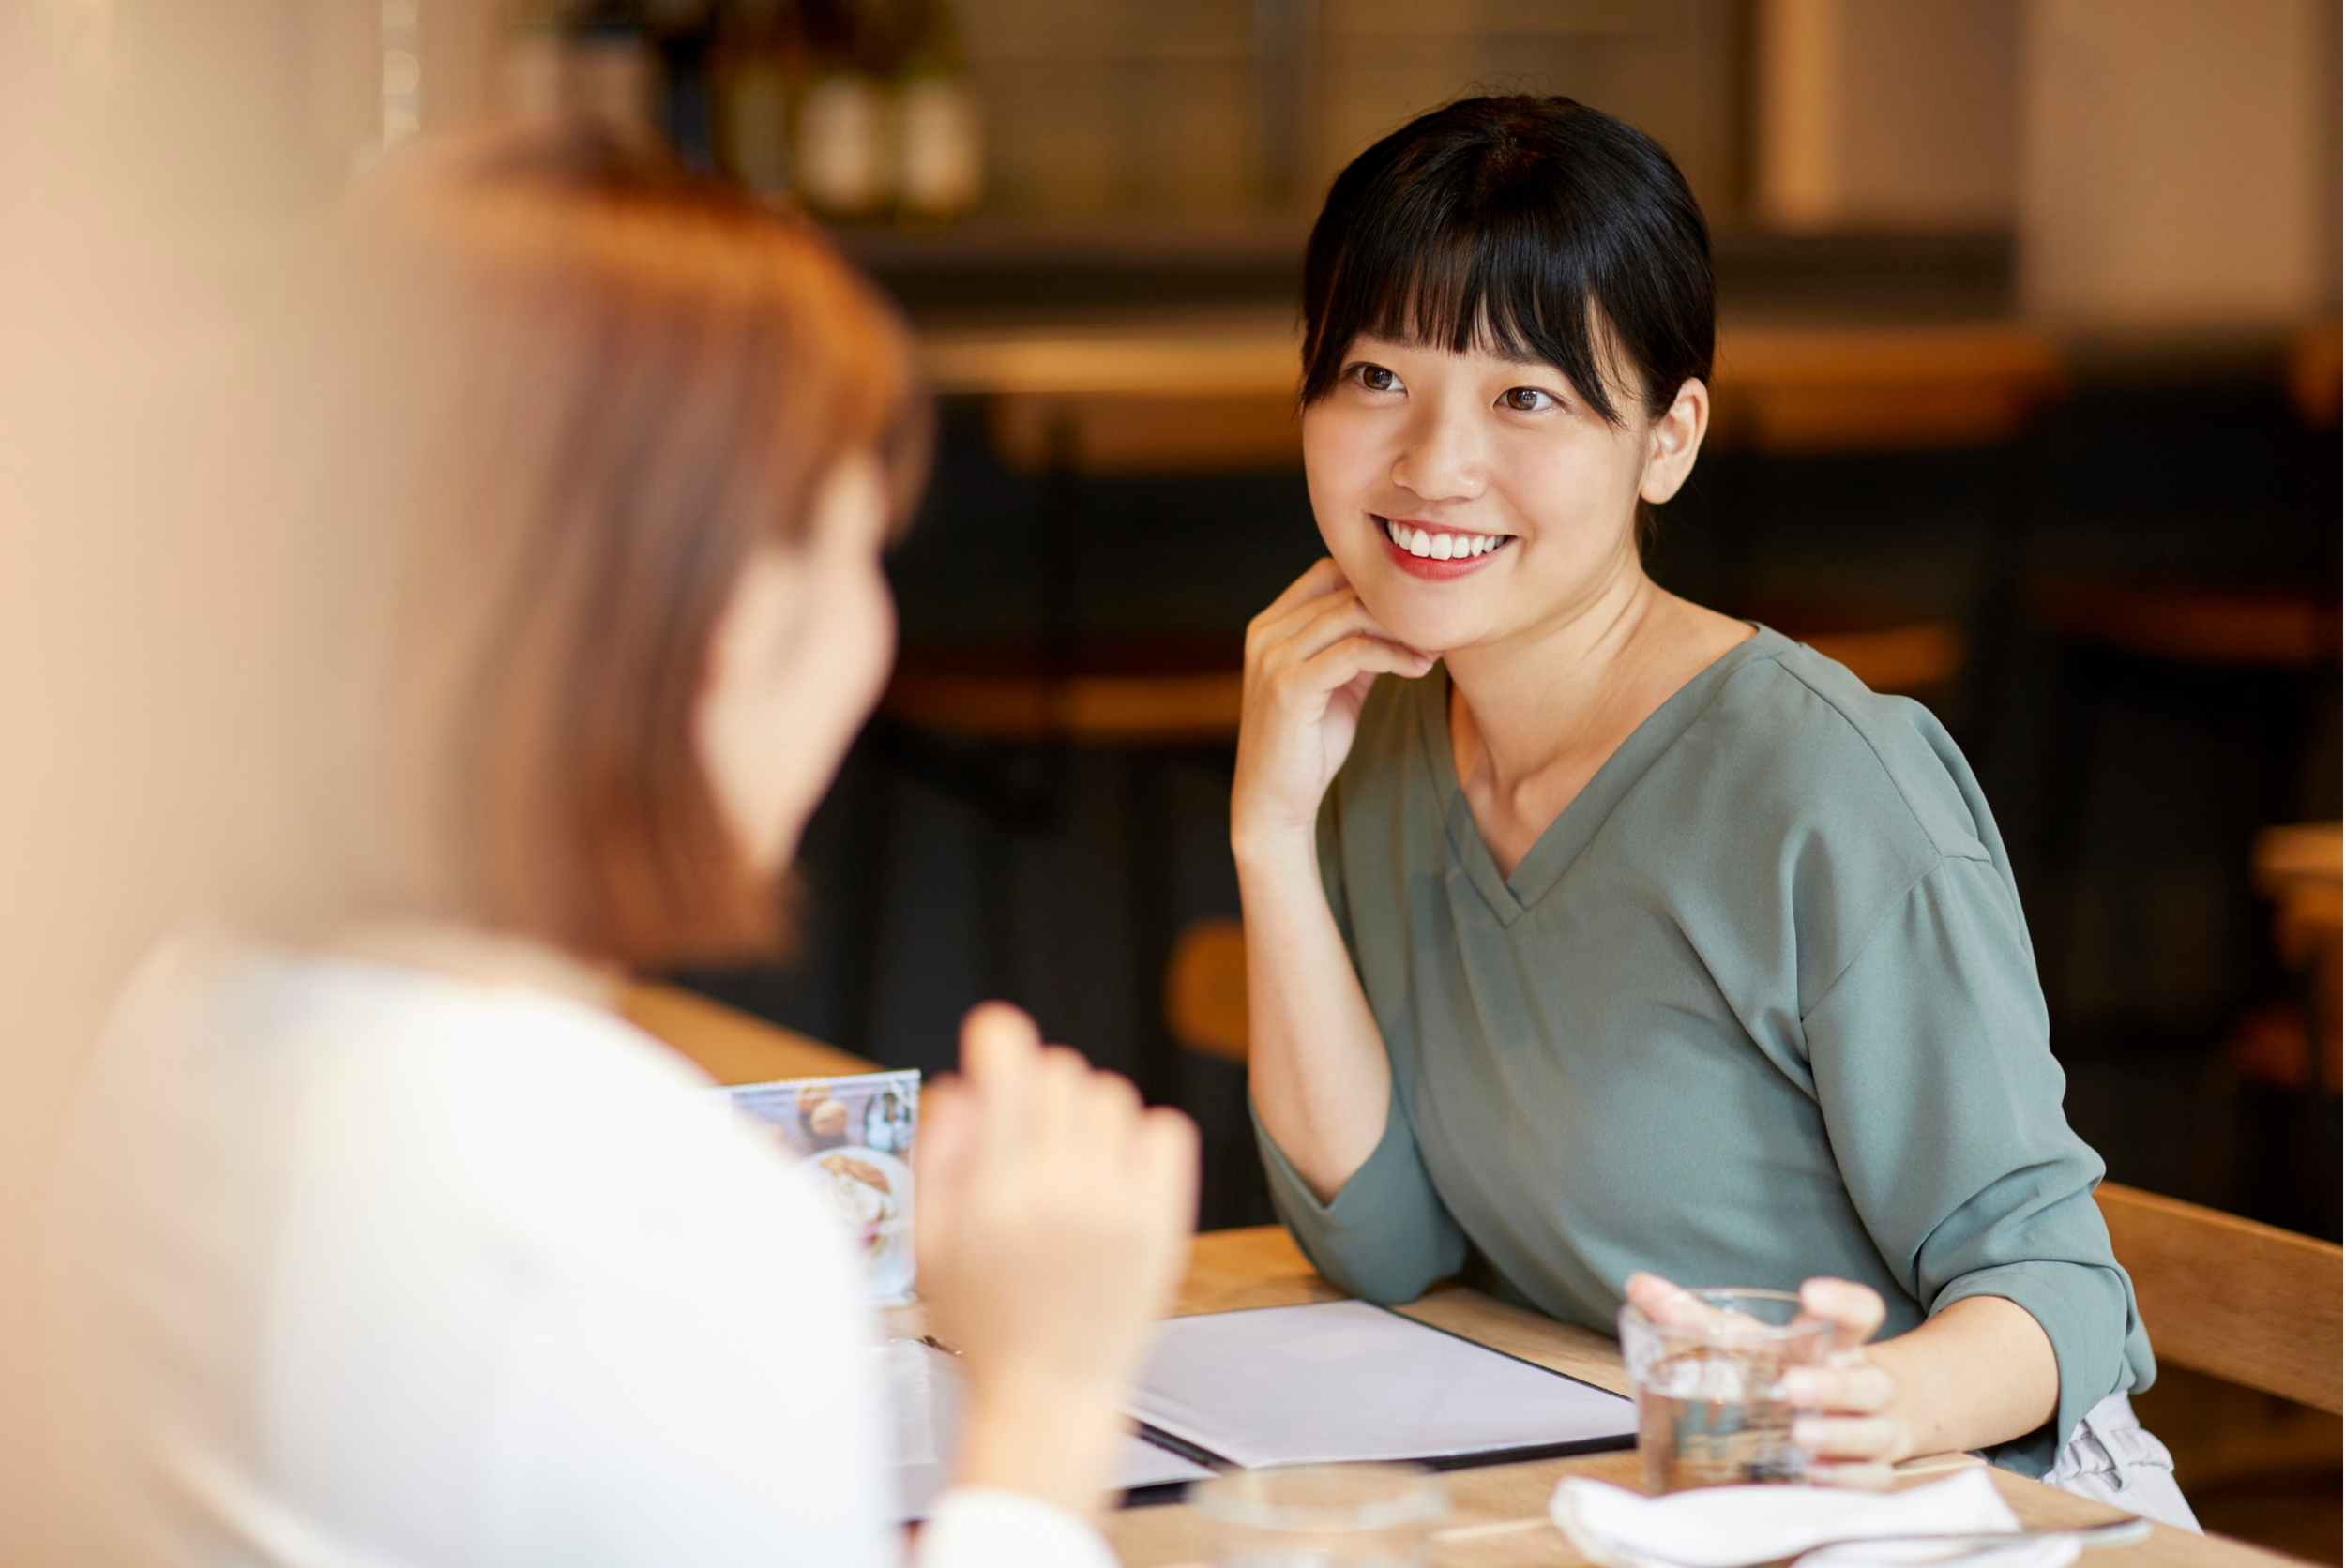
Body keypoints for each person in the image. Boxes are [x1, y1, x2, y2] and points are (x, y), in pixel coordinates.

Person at [45, 129, 1196, 1567]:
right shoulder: (655, 1238)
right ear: (707, 624)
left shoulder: (179, 1008)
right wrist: (1045, 1403)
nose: (868, 632)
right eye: (852, 550)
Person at [1233, 96, 2193, 1524]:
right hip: (1643, 1493)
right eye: (1376, 374)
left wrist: (1867, 1411)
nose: (1433, 463)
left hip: (1967, 1508)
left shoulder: (1823, 784)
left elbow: (2052, 1288)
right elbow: (1383, 1240)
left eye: (1527, 396)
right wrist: (1269, 839)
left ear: (1669, 438)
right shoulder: (1367, 746)